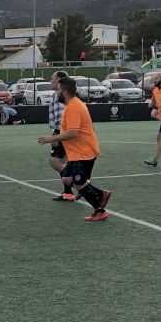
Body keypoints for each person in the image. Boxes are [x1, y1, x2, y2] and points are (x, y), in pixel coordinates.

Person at [38, 77, 111, 221]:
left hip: (84, 152)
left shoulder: (74, 107)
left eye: (58, 89)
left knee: (79, 183)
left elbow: (73, 133)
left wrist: (51, 139)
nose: (56, 92)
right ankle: (101, 194)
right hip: (77, 152)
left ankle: (99, 211)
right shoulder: (72, 104)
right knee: (67, 179)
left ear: (65, 91)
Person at [46, 70, 75, 202]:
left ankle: (82, 184)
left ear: (59, 80)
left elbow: (61, 116)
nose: (51, 81)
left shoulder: (61, 96)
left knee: (55, 161)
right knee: (64, 161)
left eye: (52, 78)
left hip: (63, 132)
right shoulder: (58, 95)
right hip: (62, 131)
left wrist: (56, 134)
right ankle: (68, 192)